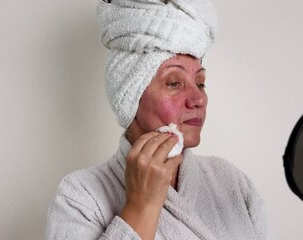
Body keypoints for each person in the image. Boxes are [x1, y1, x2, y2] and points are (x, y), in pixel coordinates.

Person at [46, 0, 274, 239]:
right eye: (174, 83)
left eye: (200, 83)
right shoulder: (80, 197)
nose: (198, 99)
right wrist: (141, 206)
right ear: (130, 95)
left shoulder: (232, 183)